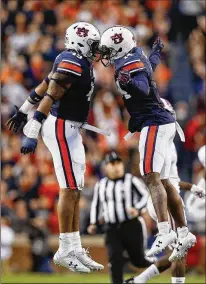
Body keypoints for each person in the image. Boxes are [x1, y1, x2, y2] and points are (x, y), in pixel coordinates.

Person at [7, 22, 104, 273]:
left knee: (76, 188)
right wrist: (32, 128)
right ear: (80, 43)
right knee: (68, 188)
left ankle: (74, 245)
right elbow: (50, 94)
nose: (96, 50)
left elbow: (43, 83)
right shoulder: (72, 62)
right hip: (61, 128)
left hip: (72, 129)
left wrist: (22, 109)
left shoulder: (72, 59)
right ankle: (64, 248)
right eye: (93, 45)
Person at [99, 26, 196, 261]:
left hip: (154, 123)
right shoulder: (135, 55)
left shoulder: (127, 64)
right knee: (163, 180)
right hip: (158, 121)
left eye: (109, 50)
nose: (106, 55)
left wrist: (129, 84)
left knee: (150, 177)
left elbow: (141, 88)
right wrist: (155, 55)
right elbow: (148, 70)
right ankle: (183, 232)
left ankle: (164, 232)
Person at [124, 100, 205, 284]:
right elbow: (166, 182)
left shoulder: (156, 140)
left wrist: (191, 187)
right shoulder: (163, 142)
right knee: (179, 250)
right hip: (166, 200)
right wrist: (191, 187)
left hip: (160, 198)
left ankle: (138, 281)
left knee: (175, 251)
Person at [88, 151, 175, 284]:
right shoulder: (101, 185)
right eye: (112, 164)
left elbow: (145, 196)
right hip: (111, 228)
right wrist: (93, 222)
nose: (116, 166)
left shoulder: (131, 180)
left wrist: (138, 209)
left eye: (118, 163)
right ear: (106, 167)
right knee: (114, 259)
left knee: (139, 260)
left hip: (131, 225)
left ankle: (157, 264)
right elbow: (96, 204)